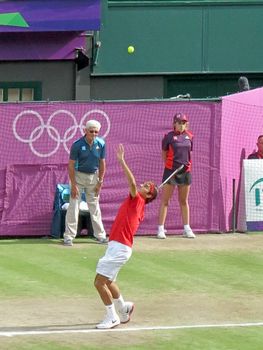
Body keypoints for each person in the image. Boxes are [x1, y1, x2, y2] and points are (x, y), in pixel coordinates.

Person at [94, 144, 158, 329]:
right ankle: (123, 308)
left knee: (99, 283)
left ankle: (112, 317)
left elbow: (131, 183)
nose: (142, 185)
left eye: (147, 186)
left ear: (148, 195)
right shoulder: (138, 203)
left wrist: (122, 160)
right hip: (118, 246)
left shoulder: (137, 199)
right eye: (144, 184)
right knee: (108, 281)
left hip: (120, 247)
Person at [63, 119, 107, 246]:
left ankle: (100, 236)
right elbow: (71, 165)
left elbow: (102, 163)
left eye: (96, 132)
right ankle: (69, 237)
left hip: (94, 177)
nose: (93, 134)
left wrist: (100, 181)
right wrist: (73, 185)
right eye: (91, 131)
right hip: (78, 177)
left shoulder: (101, 144)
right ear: (85, 131)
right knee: (73, 206)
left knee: (94, 206)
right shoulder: (77, 145)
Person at [157, 113, 195, 239]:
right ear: (174, 123)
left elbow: (189, 154)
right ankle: (161, 229)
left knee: (184, 201)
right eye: (179, 122)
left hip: (185, 172)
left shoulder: (189, 136)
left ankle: (186, 228)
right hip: (171, 171)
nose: (181, 125)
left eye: (183, 123)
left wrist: (186, 167)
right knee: (165, 201)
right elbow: (164, 153)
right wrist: (169, 166)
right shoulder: (168, 137)